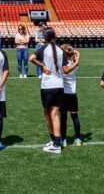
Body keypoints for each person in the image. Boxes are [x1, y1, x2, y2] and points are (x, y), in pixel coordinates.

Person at [29, 26, 66, 154]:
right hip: (60, 85)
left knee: (48, 114)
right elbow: (65, 68)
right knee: (55, 114)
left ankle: (55, 143)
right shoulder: (61, 50)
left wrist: (42, 66)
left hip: (47, 86)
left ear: (45, 38)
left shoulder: (43, 49)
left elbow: (31, 58)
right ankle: (56, 141)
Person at [59, 44, 82, 147]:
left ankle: (63, 140)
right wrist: (73, 53)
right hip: (72, 93)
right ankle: (77, 139)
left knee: (63, 118)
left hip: (63, 93)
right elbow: (78, 53)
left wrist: (65, 50)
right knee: (75, 117)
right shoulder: (75, 64)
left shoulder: (61, 64)